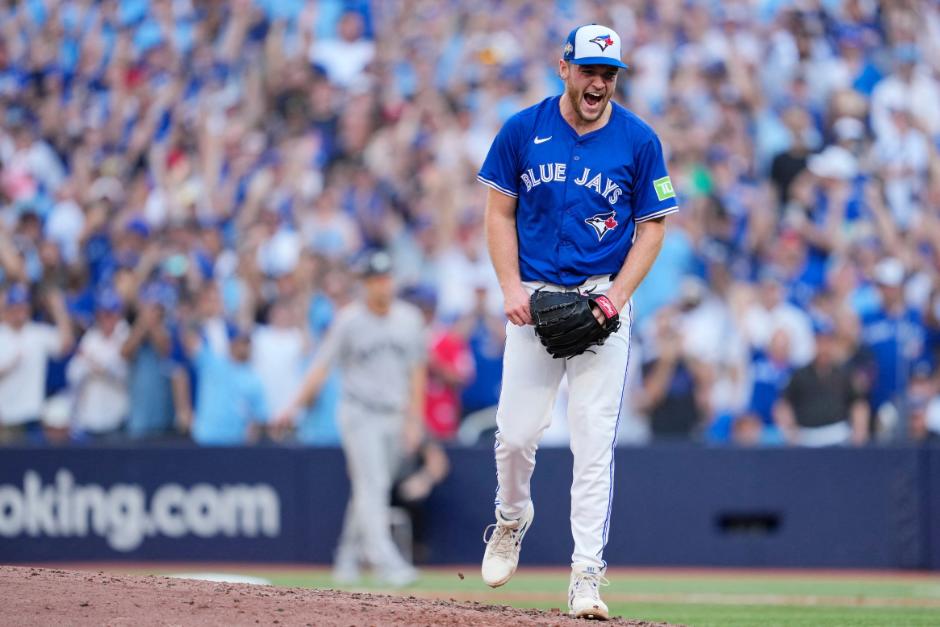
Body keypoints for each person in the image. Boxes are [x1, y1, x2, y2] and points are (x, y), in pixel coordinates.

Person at [475, 25, 678, 619]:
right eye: (589, 70)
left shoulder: (638, 140)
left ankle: (586, 576)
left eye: (609, 74)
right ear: (563, 67)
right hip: (535, 299)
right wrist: (511, 287)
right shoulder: (522, 128)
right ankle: (511, 519)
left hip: (600, 303)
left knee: (593, 445)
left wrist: (615, 298)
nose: (599, 83)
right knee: (514, 435)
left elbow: (654, 226)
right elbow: (498, 211)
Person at [275, 250, 427, 587]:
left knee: (369, 488)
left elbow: (418, 373)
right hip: (360, 414)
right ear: (364, 284)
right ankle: (385, 562)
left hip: (394, 415)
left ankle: (346, 558)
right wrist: (292, 407)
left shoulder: (409, 318)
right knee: (373, 485)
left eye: (386, 278)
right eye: (375, 280)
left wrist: (414, 420)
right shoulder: (349, 320)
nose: (382, 286)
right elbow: (321, 367)